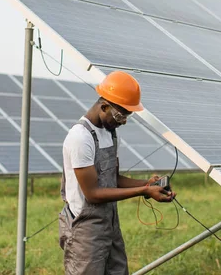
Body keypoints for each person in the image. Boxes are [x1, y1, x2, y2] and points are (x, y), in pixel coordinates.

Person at [59, 71, 176, 275]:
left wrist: (148, 184)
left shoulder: (110, 133)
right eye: (121, 115)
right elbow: (93, 193)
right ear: (104, 106)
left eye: (127, 116)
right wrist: (143, 191)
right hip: (85, 230)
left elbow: (114, 179)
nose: (123, 122)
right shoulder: (80, 138)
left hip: (109, 224)